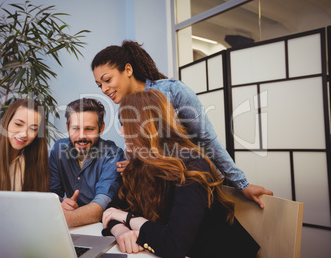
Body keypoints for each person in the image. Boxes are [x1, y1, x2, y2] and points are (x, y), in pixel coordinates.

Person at [91, 40, 273, 208]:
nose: (104, 89)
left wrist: (242, 184)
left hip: (196, 185)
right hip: (161, 194)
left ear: (128, 70)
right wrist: (131, 165)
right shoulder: (124, 112)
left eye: (107, 80)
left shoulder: (172, 91)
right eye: (99, 85)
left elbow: (208, 141)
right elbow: (145, 156)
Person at [102, 89, 260, 257]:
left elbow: (174, 246)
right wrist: (120, 231)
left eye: (126, 124)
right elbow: (113, 209)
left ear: (148, 127)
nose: (121, 132)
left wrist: (129, 219)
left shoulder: (193, 167)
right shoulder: (138, 166)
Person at [49, 98, 124, 227]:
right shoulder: (58, 149)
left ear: (101, 128)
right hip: (71, 227)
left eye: (89, 129)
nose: (81, 136)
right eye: (75, 128)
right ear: (67, 127)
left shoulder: (113, 154)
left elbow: (100, 207)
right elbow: (51, 195)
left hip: (105, 228)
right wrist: (61, 203)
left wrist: (60, 218)